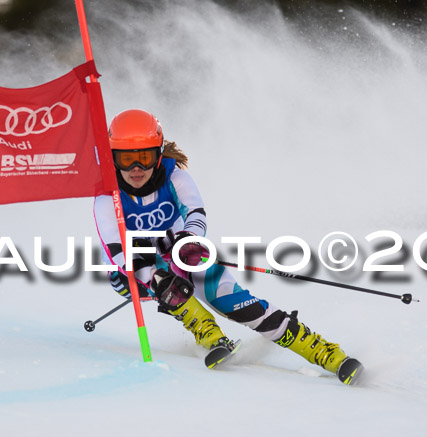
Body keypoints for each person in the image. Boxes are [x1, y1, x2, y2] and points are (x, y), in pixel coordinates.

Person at [94, 109, 362, 384]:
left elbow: (195, 213)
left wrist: (190, 239)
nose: (135, 169)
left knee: (235, 302)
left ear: (158, 154)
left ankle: (327, 353)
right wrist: (153, 276)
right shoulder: (106, 198)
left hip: (178, 250)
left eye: (144, 158)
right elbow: (117, 251)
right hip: (131, 269)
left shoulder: (175, 178)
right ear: (113, 159)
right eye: (126, 160)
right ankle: (208, 333)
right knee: (164, 284)